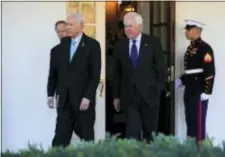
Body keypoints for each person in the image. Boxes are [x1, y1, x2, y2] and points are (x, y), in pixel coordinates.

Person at [47, 13, 101, 147]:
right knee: (59, 140)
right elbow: (55, 74)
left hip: (83, 102)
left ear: (81, 26)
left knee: (87, 140)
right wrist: (50, 94)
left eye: (71, 25)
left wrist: (88, 96)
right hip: (64, 101)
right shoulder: (62, 45)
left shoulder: (92, 45)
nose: (67, 27)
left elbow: (95, 75)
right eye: (67, 24)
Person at [112, 12, 165, 142]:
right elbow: (116, 73)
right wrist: (116, 96)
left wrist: (158, 90)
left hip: (150, 96)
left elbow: (161, 69)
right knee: (132, 135)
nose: (127, 29)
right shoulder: (120, 46)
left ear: (140, 27)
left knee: (150, 135)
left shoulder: (153, 42)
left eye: (130, 26)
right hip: (129, 97)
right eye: (125, 26)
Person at [175, 19, 216, 143]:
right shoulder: (191, 48)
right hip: (190, 90)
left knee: (198, 125)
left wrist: (207, 92)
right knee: (191, 122)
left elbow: (209, 71)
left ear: (197, 30)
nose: (186, 32)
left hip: (199, 91)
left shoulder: (205, 48)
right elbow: (192, 71)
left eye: (188, 29)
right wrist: (182, 80)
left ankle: (199, 152)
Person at [47, 20, 67, 109]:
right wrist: (50, 95)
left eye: (63, 31)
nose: (61, 34)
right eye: (58, 31)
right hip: (62, 95)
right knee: (62, 122)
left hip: (79, 96)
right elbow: (52, 75)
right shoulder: (54, 51)